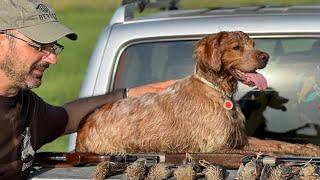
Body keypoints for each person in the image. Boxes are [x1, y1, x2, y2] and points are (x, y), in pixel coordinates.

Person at [0, 0, 174, 179]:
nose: (52, 58)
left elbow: (67, 118)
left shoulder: (26, 104)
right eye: (39, 45)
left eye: (53, 46)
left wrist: (128, 95)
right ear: (1, 43)